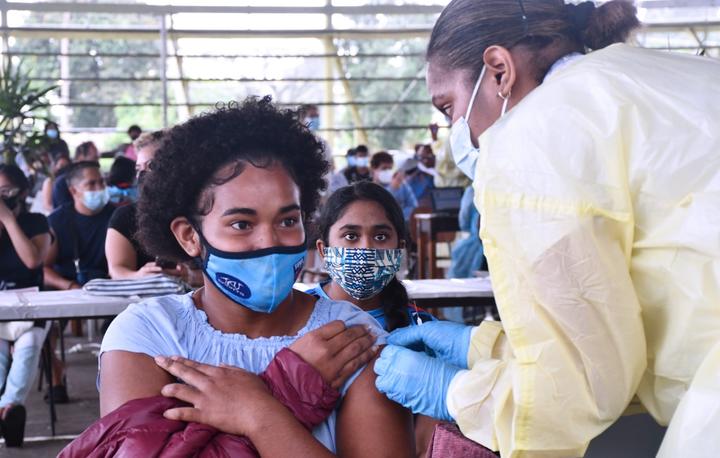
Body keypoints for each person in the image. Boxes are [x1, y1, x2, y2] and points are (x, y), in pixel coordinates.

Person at [373, 1, 720, 457]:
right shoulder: (658, 75)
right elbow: (616, 328)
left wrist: (458, 394)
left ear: (499, 70)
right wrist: (482, 349)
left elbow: (585, 385)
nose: (454, 130)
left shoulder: (532, 136)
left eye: (448, 107)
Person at [99, 96, 413, 456]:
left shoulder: (350, 339)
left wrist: (259, 414)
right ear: (190, 236)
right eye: (241, 224)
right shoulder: (149, 335)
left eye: (288, 221)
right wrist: (278, 395)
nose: (270, 241)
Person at [307, 181, 438, 457]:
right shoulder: (298, 316)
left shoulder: (424, 332)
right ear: (323, 250)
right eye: (351, 236)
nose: (366, 249)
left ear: (399, 249)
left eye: (380, 237)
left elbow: (428, 440)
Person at [0, 165, 52, 447]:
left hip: (33, 306)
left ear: (21, 191)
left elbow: (32, 261)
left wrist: (9, 221)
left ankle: (9, 407)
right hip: (0, 312)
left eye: (6, 191)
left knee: (28, 347)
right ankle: (7, 409)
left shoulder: (36, 222)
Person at [105, 130, 190, 282]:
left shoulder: (199, 211)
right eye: (139, 169)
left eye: (151, 166)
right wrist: (138, 276)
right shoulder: (126, 216)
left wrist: (192, 276)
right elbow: (117, 269)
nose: (143, 175)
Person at [370, 151, 418, 222]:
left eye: (390, 168)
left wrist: (396, 218)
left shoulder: (402, 185)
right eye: (384, 168)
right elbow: (377, 213)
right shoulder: (368, 189)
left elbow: (414, 208)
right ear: (373, 169)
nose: (388, 171)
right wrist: (392, 189)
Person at [52, 141, 99, 209]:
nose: (97, 163)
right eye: (94, 158)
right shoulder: (63, 182)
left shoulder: (98, 179)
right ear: (81, 157)